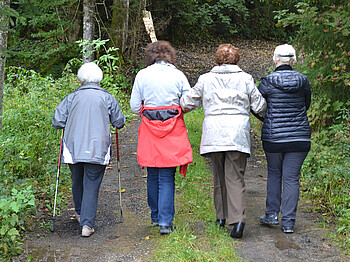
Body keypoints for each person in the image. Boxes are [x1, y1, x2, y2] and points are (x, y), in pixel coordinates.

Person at [180, 44, 266, 238]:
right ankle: (237, 222)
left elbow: (187, 102)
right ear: (237, 60)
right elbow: (259, 106)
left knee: (219, 175)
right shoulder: (245, 79)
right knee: (235, 176)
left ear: (217, 60)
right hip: (237, 134)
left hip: (214, 134)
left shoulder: (205, 79)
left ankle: (221, 216)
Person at [52, 62, 125, 237]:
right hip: (97, 148)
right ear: (99, 79)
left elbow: (57, 122)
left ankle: (79, 213)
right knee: (91, 183)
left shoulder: (71, 97)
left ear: (81, 79)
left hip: (73, 148)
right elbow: (119, 122)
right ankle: (86, 224)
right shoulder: (107, 97)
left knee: (77, 180)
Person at [130, 40, 193, 235]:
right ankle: (166, 222)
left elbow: (134, 106)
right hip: (173, 130)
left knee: (153, 173)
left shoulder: (142, 75)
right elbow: (189, 102)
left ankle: (156, 216)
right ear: (170, 55)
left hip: (150, 130)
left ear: (150, 56)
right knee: (167, 177)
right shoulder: (178, 75)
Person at [257, 44, 311, 234]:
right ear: (294, 61)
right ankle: (288, 223)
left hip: (273, 137)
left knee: (274, 173)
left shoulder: (267, 81)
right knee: (291, 178)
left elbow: (257, 106)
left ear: (275, 60)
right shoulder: (303, 81)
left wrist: (267, 119)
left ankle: (271, 215)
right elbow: (306, 105)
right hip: (299, 137)